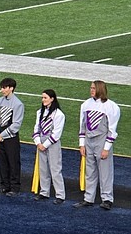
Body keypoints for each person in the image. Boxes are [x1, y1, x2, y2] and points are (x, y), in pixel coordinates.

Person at [75, 80, 121, 211]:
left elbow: (112, 129)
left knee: (105, 171)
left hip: (102, 140)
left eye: (94, 88)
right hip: (89, 141)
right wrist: (82, 144)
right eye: (91, 88)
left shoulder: (111, 107)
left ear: (100, 89)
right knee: (90, 171)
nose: (91, 90)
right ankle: (88, 198)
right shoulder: (85, 104)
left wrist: (107, 148)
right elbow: (82, 126)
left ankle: (107, 199)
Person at [32, 90, 66, 205]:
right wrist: (38, 142)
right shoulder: (39, 112)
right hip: (41, 142)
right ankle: (44, 192)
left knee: (55, 169)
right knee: (43, 168)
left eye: (45, 98)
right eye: (42, 98)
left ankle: (60, 195)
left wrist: (44, 145)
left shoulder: (59, 114)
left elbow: (56, 134)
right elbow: (36, 128)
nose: (43, 100)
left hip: (52, 144)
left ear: (52, 99)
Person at [0, 77, 25, 197]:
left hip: (10, 137)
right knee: (2, 162)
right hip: (0, 135)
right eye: (1, 87)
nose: (2, 90)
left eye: (4, 87)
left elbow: (16, 124)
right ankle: (5, 186)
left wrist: (2, 135)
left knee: (13, 162)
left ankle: (14, 187)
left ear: (11, 88)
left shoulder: (18, 104)